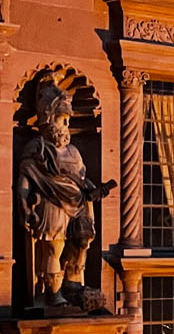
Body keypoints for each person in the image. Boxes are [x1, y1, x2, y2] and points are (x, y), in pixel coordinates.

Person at [18, 81, 115, 307]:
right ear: (49, 120)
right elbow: (25, 178)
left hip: (78, 203)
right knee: (55, 247)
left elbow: (81, 178)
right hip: (51, 202)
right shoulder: (38, 147)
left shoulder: (73, 151)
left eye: (68, 120)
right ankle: (52, 294)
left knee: (82, 241)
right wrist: (24, 206)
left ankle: (72, 283)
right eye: (63, 119)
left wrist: (94, 190)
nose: (67, 125)